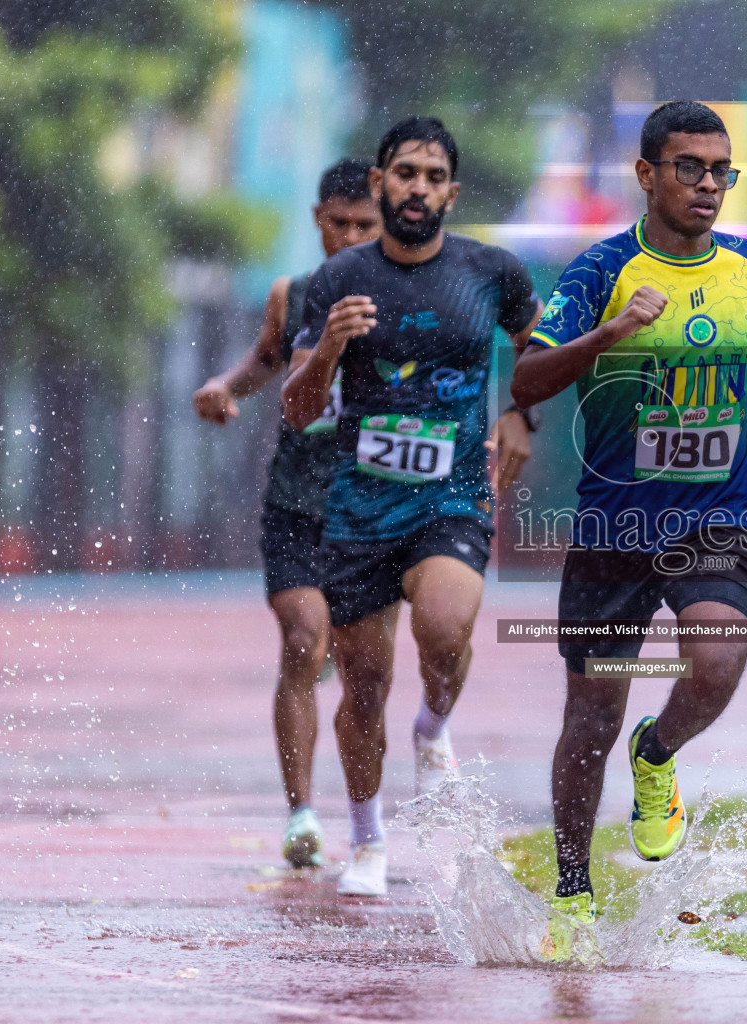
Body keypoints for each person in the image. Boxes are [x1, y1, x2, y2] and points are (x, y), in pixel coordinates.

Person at [510, 100, 747, 953]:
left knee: (716, 666)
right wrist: (613, 332)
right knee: (592, 712)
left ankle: (659, 751)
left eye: (722, 170)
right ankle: (572, 891)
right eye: (690, 168)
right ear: (647, 175)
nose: (709, 184)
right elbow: (529, 378)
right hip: (615, 532)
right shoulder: (599, 269)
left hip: (714, 517)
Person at [283, 117, 543, 897]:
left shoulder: (491, 273)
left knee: (443, 629)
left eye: (433, 177)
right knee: (363, 686)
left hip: (452, 496)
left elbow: (539, 346)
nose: (418, 189)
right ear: (379, 182)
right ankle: (367, 841)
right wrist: (328, 348)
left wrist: (520, 415)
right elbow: (297, 411)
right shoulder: (336, 281)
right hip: (360, 508)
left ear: (451, 193)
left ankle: (434, 724)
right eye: (405, 175)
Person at [192, 159, 380, 870]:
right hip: (297, 498)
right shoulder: (292, 294)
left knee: (368, 669)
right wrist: (222, 386)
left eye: (367, 225)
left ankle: (370, 819)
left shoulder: (412, 300)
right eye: (341, 223)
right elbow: (264, 362)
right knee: (305, 639)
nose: (353, 236)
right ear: (318, 220)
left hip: (375, 505)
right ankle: (302, 814)